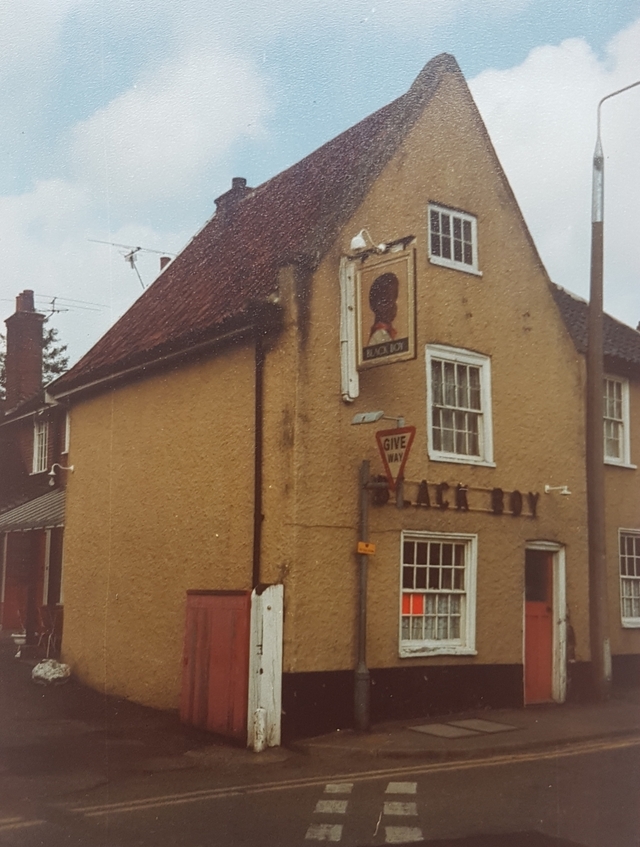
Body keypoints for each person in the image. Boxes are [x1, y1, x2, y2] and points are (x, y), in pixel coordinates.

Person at [367, 272, 399, 345]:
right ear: (377, 305)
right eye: (387, 301)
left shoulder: (387, 333)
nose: (393, 305)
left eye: (394, 300)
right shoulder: (380, 335)